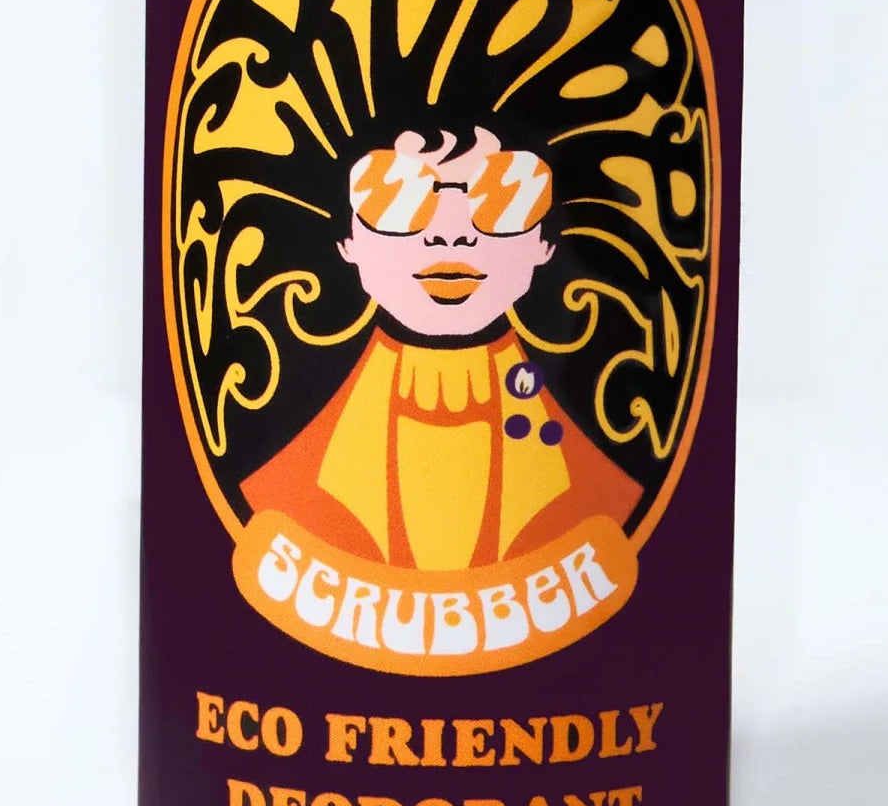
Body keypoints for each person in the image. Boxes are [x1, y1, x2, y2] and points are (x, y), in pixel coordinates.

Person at [240, 127, 639, 569]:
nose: (451, 234)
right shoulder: (300, 460)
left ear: (544, 243)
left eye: (503, 196)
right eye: (396, 196)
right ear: (348, 241)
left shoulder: (579, 468)